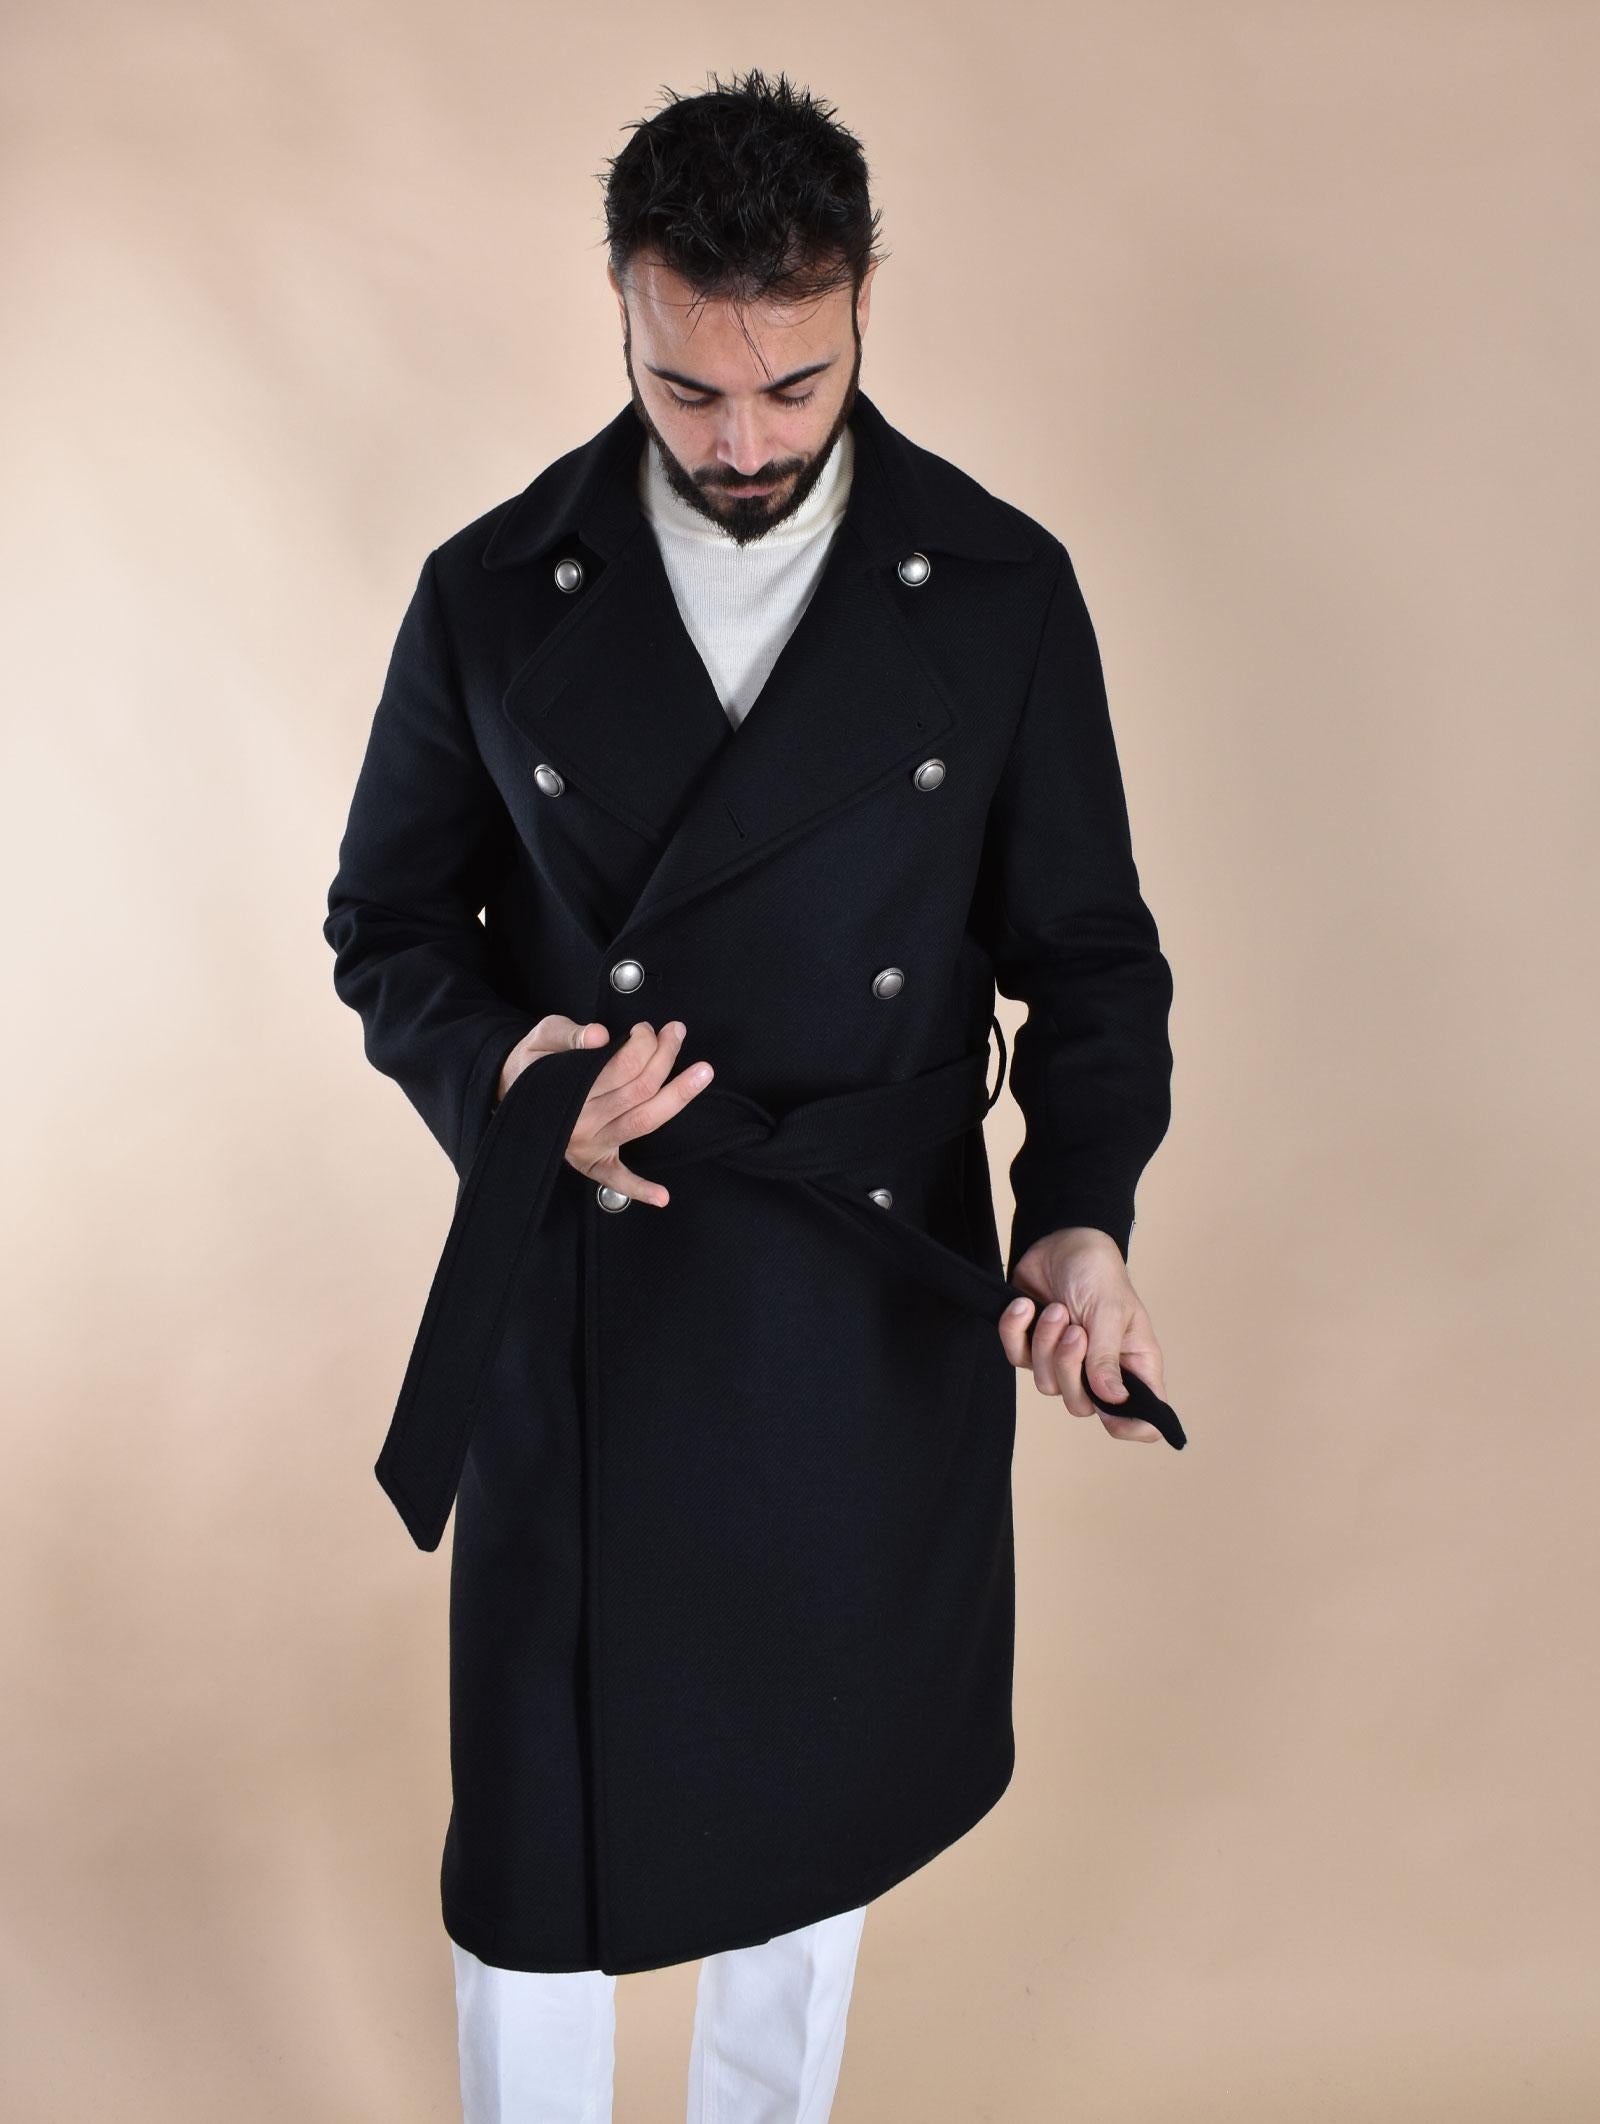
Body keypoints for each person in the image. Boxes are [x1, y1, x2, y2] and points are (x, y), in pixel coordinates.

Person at [323, 65, 1175, 2124]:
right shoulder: (487, 589)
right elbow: (387, 922)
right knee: (536, 1838)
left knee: (809, 1811)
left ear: (863, 302)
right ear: (622, 311)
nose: (740, 442)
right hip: (584, 1279)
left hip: (858, 1288)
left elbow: (1085, 958)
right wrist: (513, 1074)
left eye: (792, 385)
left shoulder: (999, 591)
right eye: (685, 386)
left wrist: (1078, 1213)